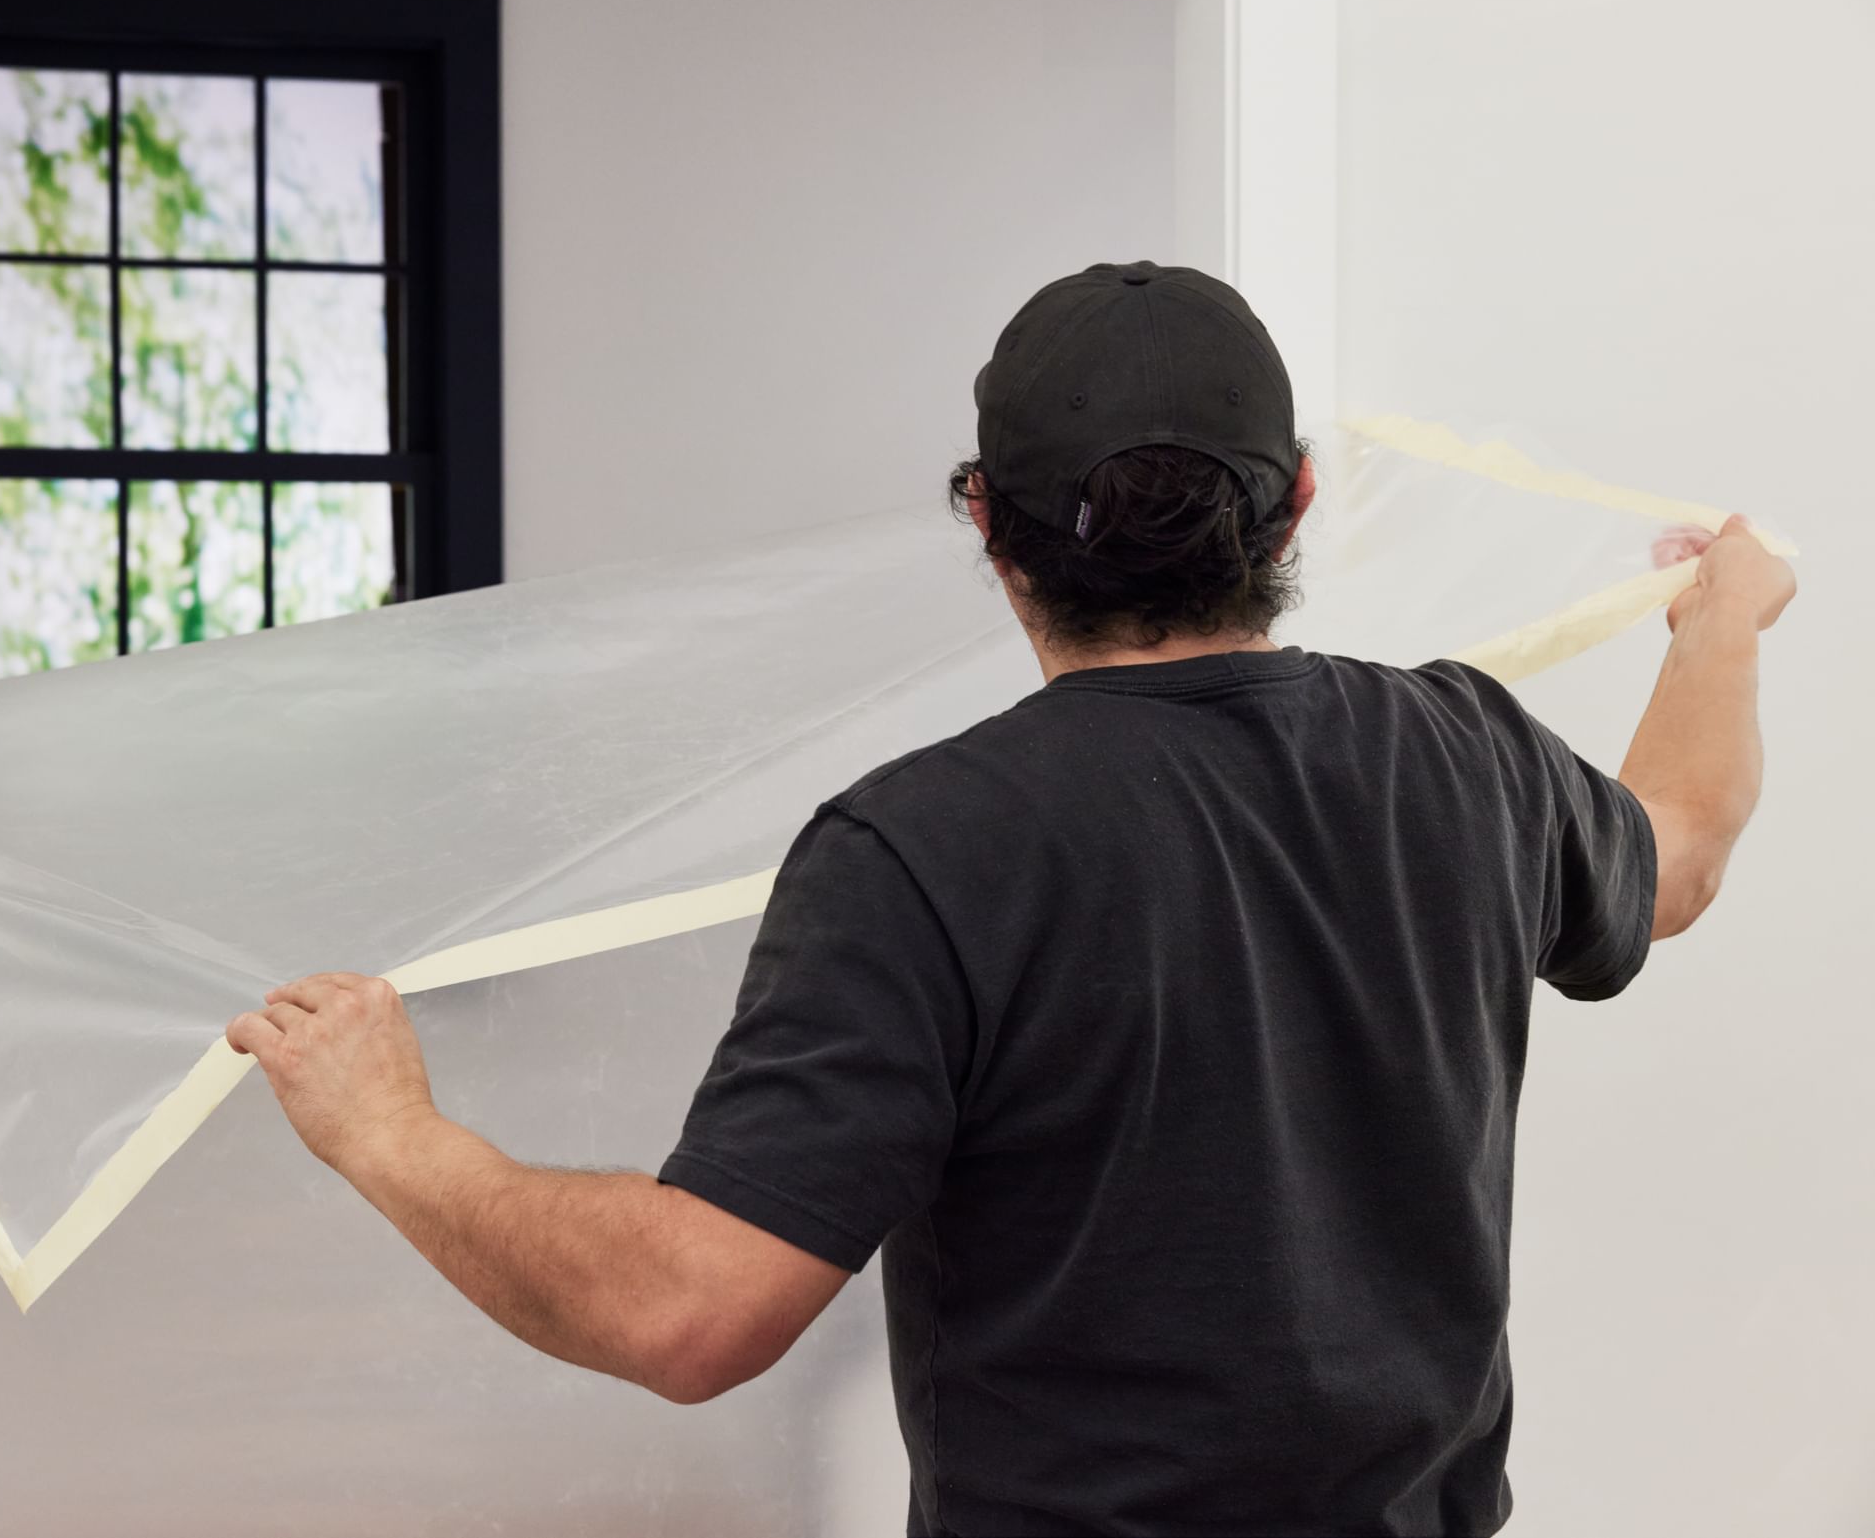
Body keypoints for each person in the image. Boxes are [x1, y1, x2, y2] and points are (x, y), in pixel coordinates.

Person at [225, 263, 1795, 1536]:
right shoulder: (1463, 754)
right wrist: (1718, 623)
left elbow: (690, 1310)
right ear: (1300, 501)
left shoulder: (923, 847)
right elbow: (1680, 846)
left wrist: (392, 1131)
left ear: (986, 518)